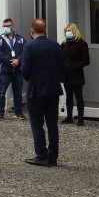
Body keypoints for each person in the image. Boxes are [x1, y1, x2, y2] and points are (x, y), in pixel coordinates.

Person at [21, 19, 64, 167]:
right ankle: (53, 156)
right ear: (44, 30)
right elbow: (62, 67)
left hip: (36, 90)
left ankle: (41, 155)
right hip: (53, 89)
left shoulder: (29, 47)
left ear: (32, 31)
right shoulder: (56, 46)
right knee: (52, 123)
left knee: (37, 123)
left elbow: (25, 71)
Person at [0, 17, 26, 121]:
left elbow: (25, 52)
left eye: (8, 26)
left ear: (13, 26)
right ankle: (0, 113)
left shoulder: (20, 39)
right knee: (2, 93)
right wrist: (11, 61)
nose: (6, 28)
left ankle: (18, 112)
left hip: (18, 71)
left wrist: (18, 60)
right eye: (5, 26)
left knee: (18, 93)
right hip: (5, 71)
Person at [60, 23, 90, 126]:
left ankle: (81, 118)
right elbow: (60, 57)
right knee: (68, 97)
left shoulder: (82, 44)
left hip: (77, 74)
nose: (68, 33)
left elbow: (86, 60)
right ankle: (69, 117)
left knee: (78, 97)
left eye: (69, 30)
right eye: (66, 31)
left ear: (74, 31)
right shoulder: (64, 44)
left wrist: (74, 66)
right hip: (66, 75)